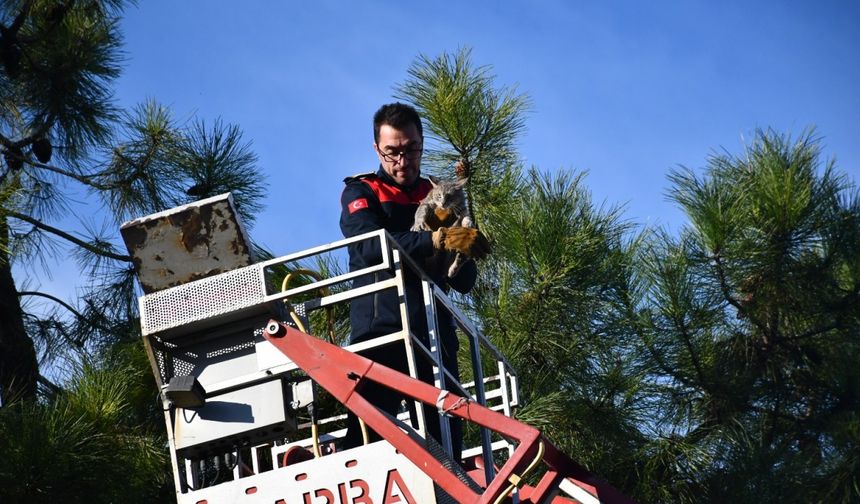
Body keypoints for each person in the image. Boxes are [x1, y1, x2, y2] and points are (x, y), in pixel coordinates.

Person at [339, 102, 490, 460]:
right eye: (392, 152)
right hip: (382, 334)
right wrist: (434, 240)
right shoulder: (363, 192)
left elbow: (465, 281)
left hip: (436, 334)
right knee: (368, 439)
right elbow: (370, 246)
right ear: (378, 149)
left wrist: (467, 246)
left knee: (447, 443)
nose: (402, 161)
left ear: (422, 144)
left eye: (410, 150)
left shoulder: (441, 194)